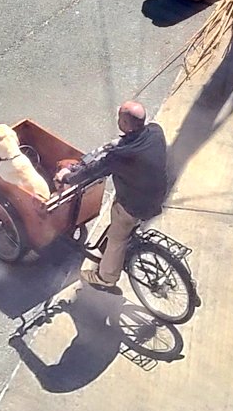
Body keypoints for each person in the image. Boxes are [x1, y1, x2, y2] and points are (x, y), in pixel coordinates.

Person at [55, 101, 168, 292]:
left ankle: (105, 277)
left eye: (120, 118)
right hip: (157, 193)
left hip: (134, 204)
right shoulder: (156, 131)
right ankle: (105, 250)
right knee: (120, 226)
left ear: (124, 123)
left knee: (118, 237)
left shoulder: (120, 155)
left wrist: (67, 176)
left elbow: (93, 172)